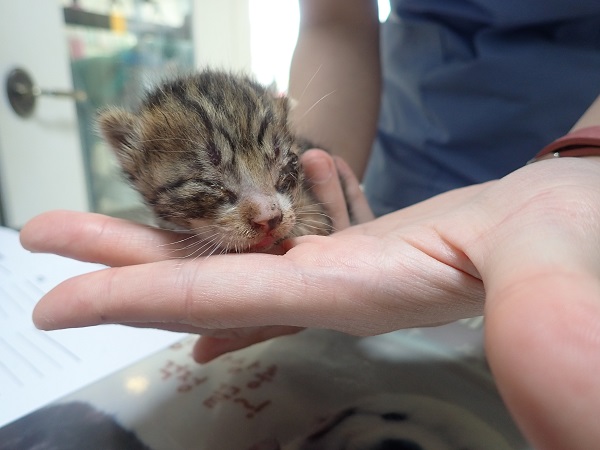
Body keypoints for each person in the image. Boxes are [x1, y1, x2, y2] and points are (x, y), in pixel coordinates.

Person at [19, 0, 600, 448]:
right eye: (213, 185)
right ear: (130, 154)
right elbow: (336, 22)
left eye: (281, 169)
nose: (270, 211)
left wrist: (581, 164)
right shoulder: (191, 158)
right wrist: (328, 189)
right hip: (410, 173)